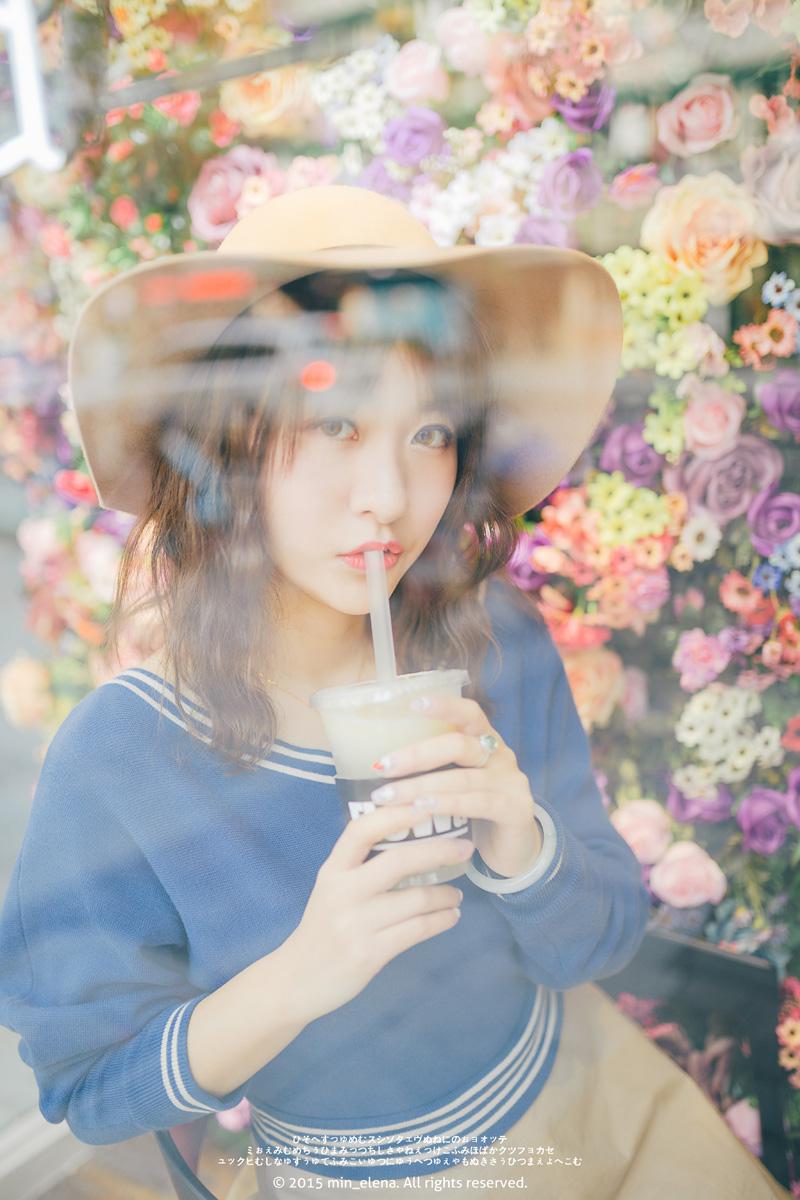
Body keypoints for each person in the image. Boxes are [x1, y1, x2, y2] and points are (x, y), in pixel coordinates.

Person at [0, 187, 789, 1200]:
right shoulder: (123, 755)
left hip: (600, 1103)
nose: (387, 496)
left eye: (428, 434)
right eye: (336, 424)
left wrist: (525, 849)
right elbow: (87, 1085)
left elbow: (600, 938)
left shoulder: (493, 640)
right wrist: (300, 974)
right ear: (226, 447)